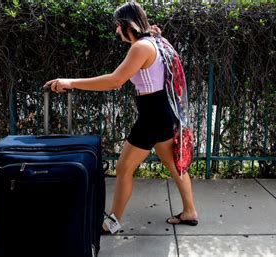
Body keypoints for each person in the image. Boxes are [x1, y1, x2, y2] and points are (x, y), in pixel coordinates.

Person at [43, 2, 198, 233]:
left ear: (128, 25)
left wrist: (71, 82)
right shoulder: (155, 41)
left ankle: (112, 221)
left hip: (153, 117)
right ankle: (190, 211)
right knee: (174, 166)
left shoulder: (141, 47)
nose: (116, 31)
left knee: (124, 168)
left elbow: (115, 80)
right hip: (163, 113)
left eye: (118, 25)